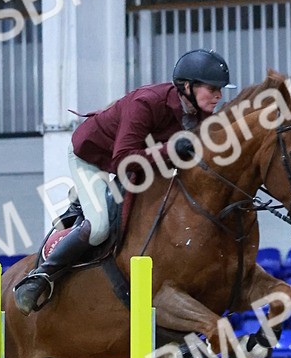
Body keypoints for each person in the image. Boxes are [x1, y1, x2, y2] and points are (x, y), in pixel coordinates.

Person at [13, 48, 234, 314]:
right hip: (94, 156)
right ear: (187, 86)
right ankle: (40, 276)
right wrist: (171, 150)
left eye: (220, 89)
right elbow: (123, 161)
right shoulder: (146, 103)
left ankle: (87, 199)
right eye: (213, 89)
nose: (219, 96)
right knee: (99, 228)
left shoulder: (201, 115)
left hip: (141, 162)